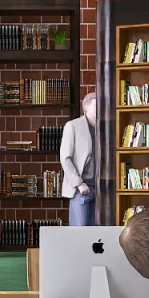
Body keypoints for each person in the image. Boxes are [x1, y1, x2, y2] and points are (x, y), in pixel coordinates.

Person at [60, 92, 98, 226]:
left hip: (101, 190)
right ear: (86, 107)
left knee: (97, 237)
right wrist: (79, 183)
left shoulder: (105, 127)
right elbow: (65, 158)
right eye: (97, 105)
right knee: (79, 232)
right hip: (81, 188)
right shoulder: (73, 126)